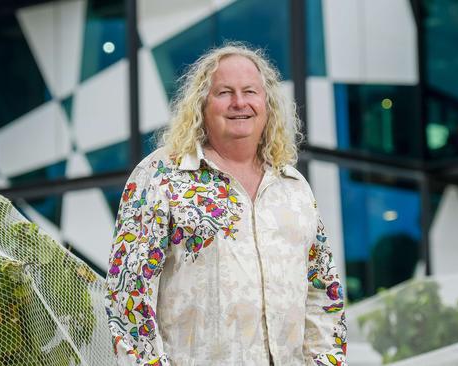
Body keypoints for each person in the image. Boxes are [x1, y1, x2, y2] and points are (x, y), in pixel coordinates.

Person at [105, 43, 347, 365]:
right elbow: (128, 293)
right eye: (224, 92)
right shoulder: (160, 176)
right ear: (202, 105)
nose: (239, 103)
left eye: (250, 91)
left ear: (268, 104)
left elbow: (323, 290)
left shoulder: (293, 187)